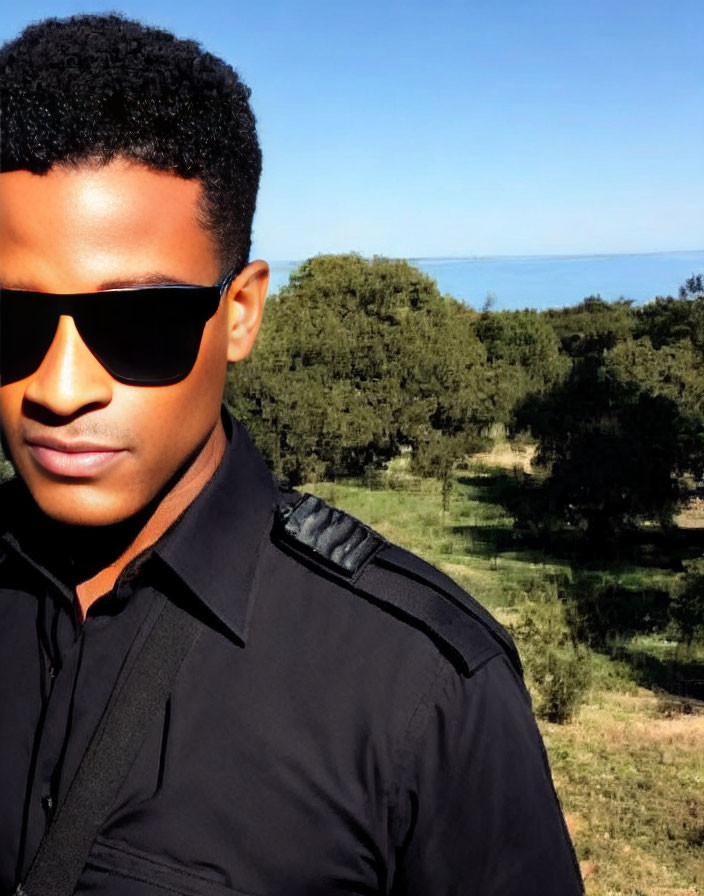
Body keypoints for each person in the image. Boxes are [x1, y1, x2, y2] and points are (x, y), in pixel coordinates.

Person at [0, 14, 584, 896]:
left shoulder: (419, 688)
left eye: (141, 322)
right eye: (10, 318)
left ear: (239, 314)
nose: (61, 385)